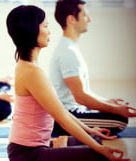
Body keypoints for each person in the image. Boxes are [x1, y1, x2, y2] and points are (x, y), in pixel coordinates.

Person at [6, 5, 130, 161]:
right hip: (29, 156)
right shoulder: (32, 72)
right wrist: (100, 149)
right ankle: (59, 144)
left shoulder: (27, 66)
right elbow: (62, 119)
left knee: (95, 140)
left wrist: (91, 130)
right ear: (31, 30)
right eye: (45, 26)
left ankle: (59, 143)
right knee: (100, 158)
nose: (49, 31)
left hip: (30, 148)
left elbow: (61, 110)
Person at [49, 0, 136, 136]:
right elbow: (80, 97)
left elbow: (83, 92)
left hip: (74, 110)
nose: (89, 19)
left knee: (117, 115)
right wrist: (115, 109)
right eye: (85, 15)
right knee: (119, 120)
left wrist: (107, 102)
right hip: (67, 115)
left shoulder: (69, 47)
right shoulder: (67, 51)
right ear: (71, 19)